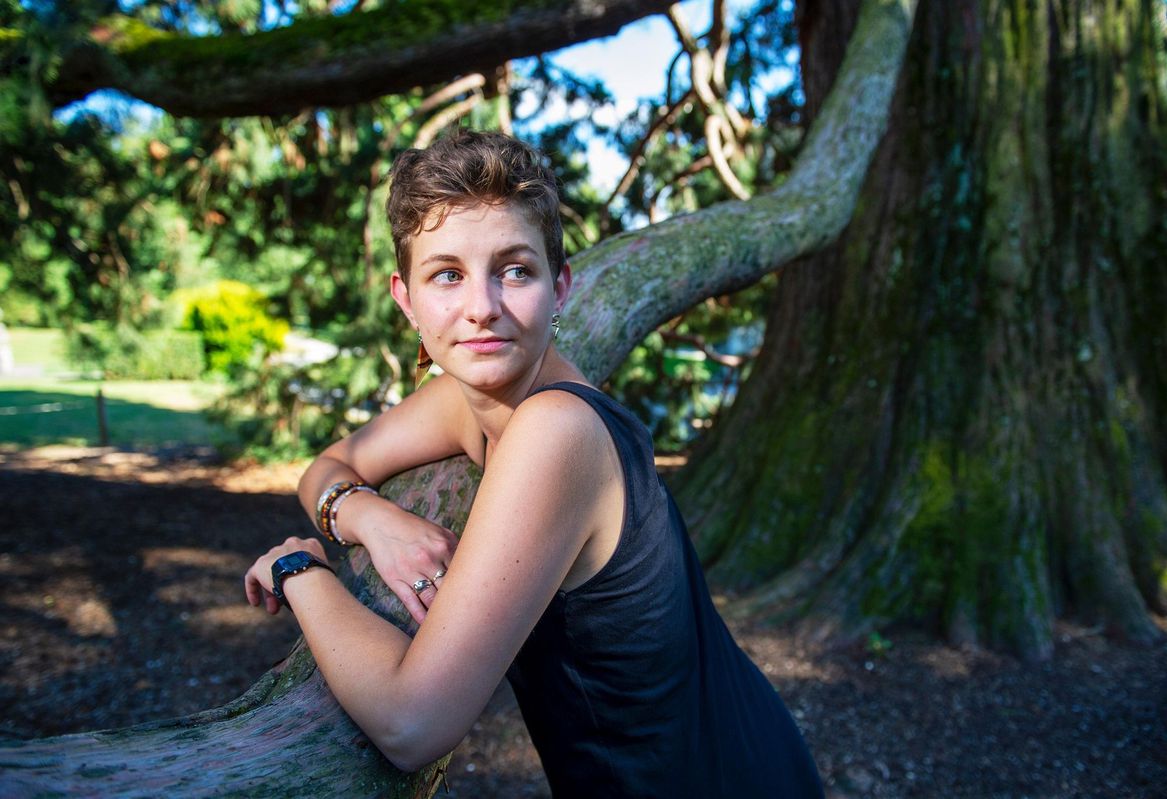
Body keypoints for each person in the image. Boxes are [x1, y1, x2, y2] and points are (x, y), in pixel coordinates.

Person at [244, 130, 824, 797]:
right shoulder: (476, 401)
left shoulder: (555, 429)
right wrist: (364, 513)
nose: (482, 307)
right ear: (406, 300)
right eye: (447, 275)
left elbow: (412, 724)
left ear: (561, 286)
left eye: (515, 269)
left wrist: (300, 569)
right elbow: (334, 461)